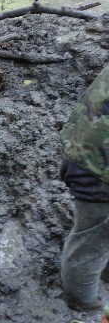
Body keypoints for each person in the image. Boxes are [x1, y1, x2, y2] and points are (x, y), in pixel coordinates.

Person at [60, 65, 109, 313]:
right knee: (91, 243)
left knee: (99, 237)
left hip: (82, 145)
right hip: (98, 167)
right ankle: (83, 305)